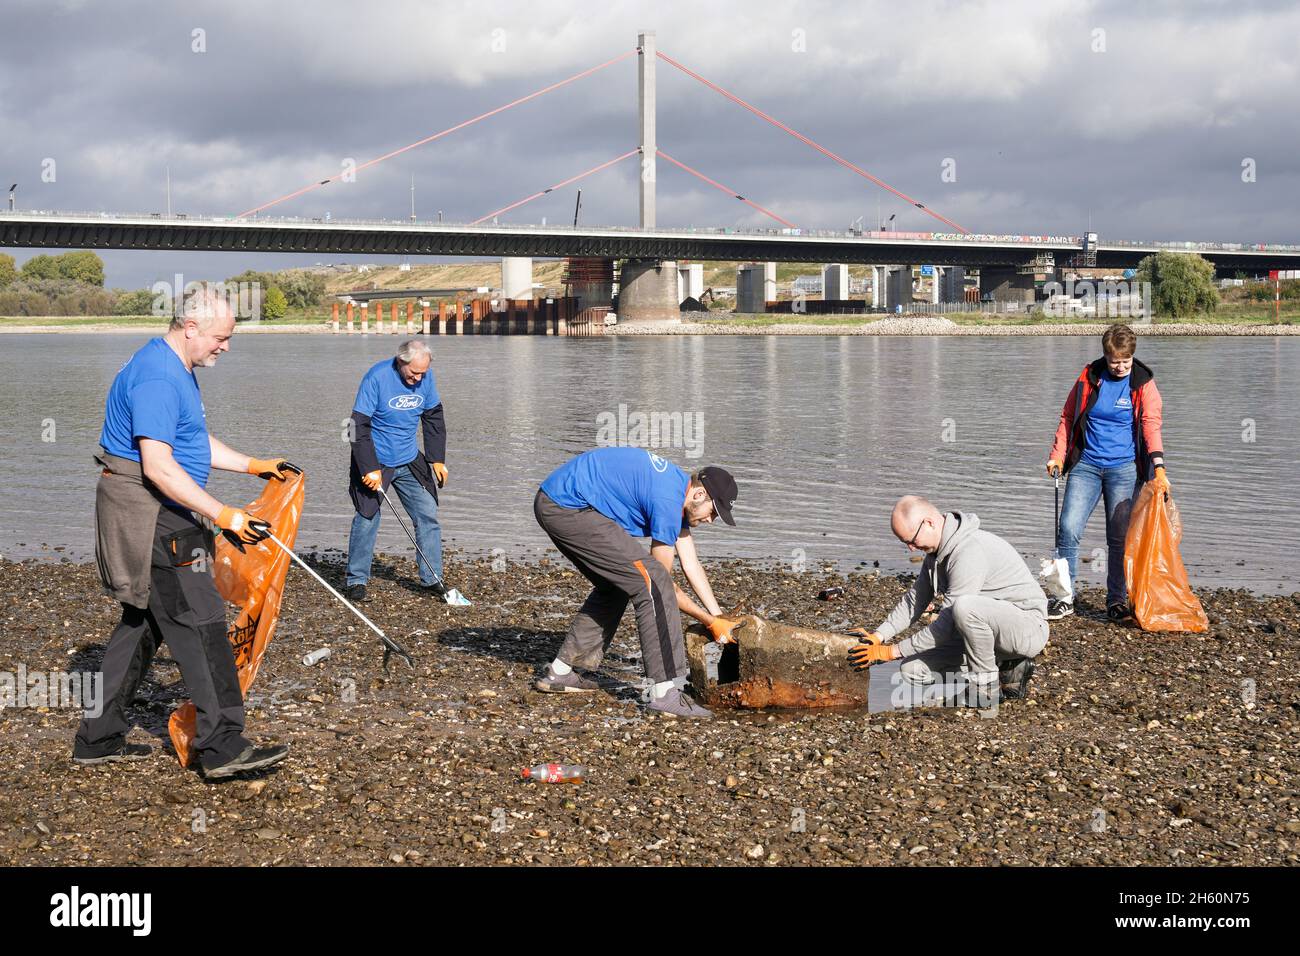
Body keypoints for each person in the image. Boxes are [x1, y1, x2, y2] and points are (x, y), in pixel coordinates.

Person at [74, 290, 296, 779]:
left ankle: (98, 738)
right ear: (191, 327)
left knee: (144, 624)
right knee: (202, 622)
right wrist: (226, 516)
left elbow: (191, 438)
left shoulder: (173, 365)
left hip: (157, 509)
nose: (226, 347)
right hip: (154, 514)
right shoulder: (157, 376)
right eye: (222, 337)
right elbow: (158, 467)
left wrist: (253, 466)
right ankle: (223, 747)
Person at [533, 447, 743, 718]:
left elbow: (691, 565)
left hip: (556, 503)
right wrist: (708, 621)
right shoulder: (668, 499)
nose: (711, 521)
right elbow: (661, 584)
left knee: (620, 582)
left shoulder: (677, 491)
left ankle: (560, 673)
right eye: (714, 512)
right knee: (652, 584)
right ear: (700, 494)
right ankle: (664, 692)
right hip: (567, 508)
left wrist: (718, 616)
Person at [846, 496, 1048, 705]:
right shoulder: (936, 554)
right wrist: (879, 636)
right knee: (912, 670)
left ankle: (986, 689)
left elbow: (947, 625)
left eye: (912, 540)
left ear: (929, 523)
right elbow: (914, 600)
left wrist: (891, 651)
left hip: (1026, 629)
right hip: (983, 634)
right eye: (905, 543)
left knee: (965, 608)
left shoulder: (968, 551)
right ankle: (1007, 666)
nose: (911, 548)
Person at [1046, 323, 1168, 621]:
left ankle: (1116, 600)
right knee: (1068, 529)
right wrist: (1057, 456)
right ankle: (1064, 598)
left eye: (1126, 361)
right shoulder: (1089, 377)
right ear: (1105, 356)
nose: (1120, 367)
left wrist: (1159, 469)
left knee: (1118, 537)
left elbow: (1151, 426)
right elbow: (1067, 417)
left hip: (1124, 469)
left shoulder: (1142, 384)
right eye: (1115, 362)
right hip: (1086, 465)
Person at [344, 340, 450, 602]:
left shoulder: (425, 377)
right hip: (376, 461)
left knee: (427, 514)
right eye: (414, 373)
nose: (418, 379)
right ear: (401, 362)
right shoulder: (377, 377)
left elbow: (433, 416)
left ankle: (432, 578)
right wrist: (369, 468)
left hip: (409, 459)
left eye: (422, 373)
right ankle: (356, 580)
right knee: (367, 517)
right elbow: (356, 426)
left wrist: (436, 459)